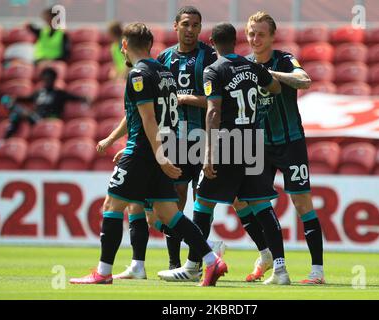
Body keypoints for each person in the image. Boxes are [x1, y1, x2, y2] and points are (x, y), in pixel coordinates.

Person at [69, 22, 228, 286]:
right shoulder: (164, 72)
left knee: (112, 206)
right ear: (150, 45)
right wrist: (162, 153)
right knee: (169, 214)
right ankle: (212, 261)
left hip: (144, 151)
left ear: (124, 45)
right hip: (160, 148)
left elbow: (148, 119)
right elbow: (168, 116)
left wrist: (158, 156)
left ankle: (103, 272)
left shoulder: (138, 75)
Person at [162, 22, 291, 285]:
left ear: (211, 42)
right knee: (262, 207)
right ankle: (280, 270)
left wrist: (208, 153)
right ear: (236, 40)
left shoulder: (214, 69)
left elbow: (212, 111)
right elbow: (276, 88)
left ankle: (191, 265)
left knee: (202, 205)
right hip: (253, 144)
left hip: (227, 143)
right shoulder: (252, 66)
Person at [245, 11, 325, 284]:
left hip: (290, 142)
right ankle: (271, 259)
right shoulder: (243, 66)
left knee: (302, 203)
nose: (255, 39)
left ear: (272, 37)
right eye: (251, 33)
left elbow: (305, 81)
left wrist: (270, 74)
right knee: (249, 201)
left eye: (261, 34)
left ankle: (317, 271)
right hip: (258, 145)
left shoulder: (286, 59)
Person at [1, 67, 87, 139]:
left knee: (19, 111)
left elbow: (74, 97)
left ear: (54, 80)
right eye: (45, 79)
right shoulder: (39, 93)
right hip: (35, 118)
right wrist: (15, 98)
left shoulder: (59, 93)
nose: (47, 81)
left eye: (49, 79)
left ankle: (6, 137)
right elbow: (28, 98)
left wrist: (85, 98)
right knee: (14, 111)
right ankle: (6, 138)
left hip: (50, 118)